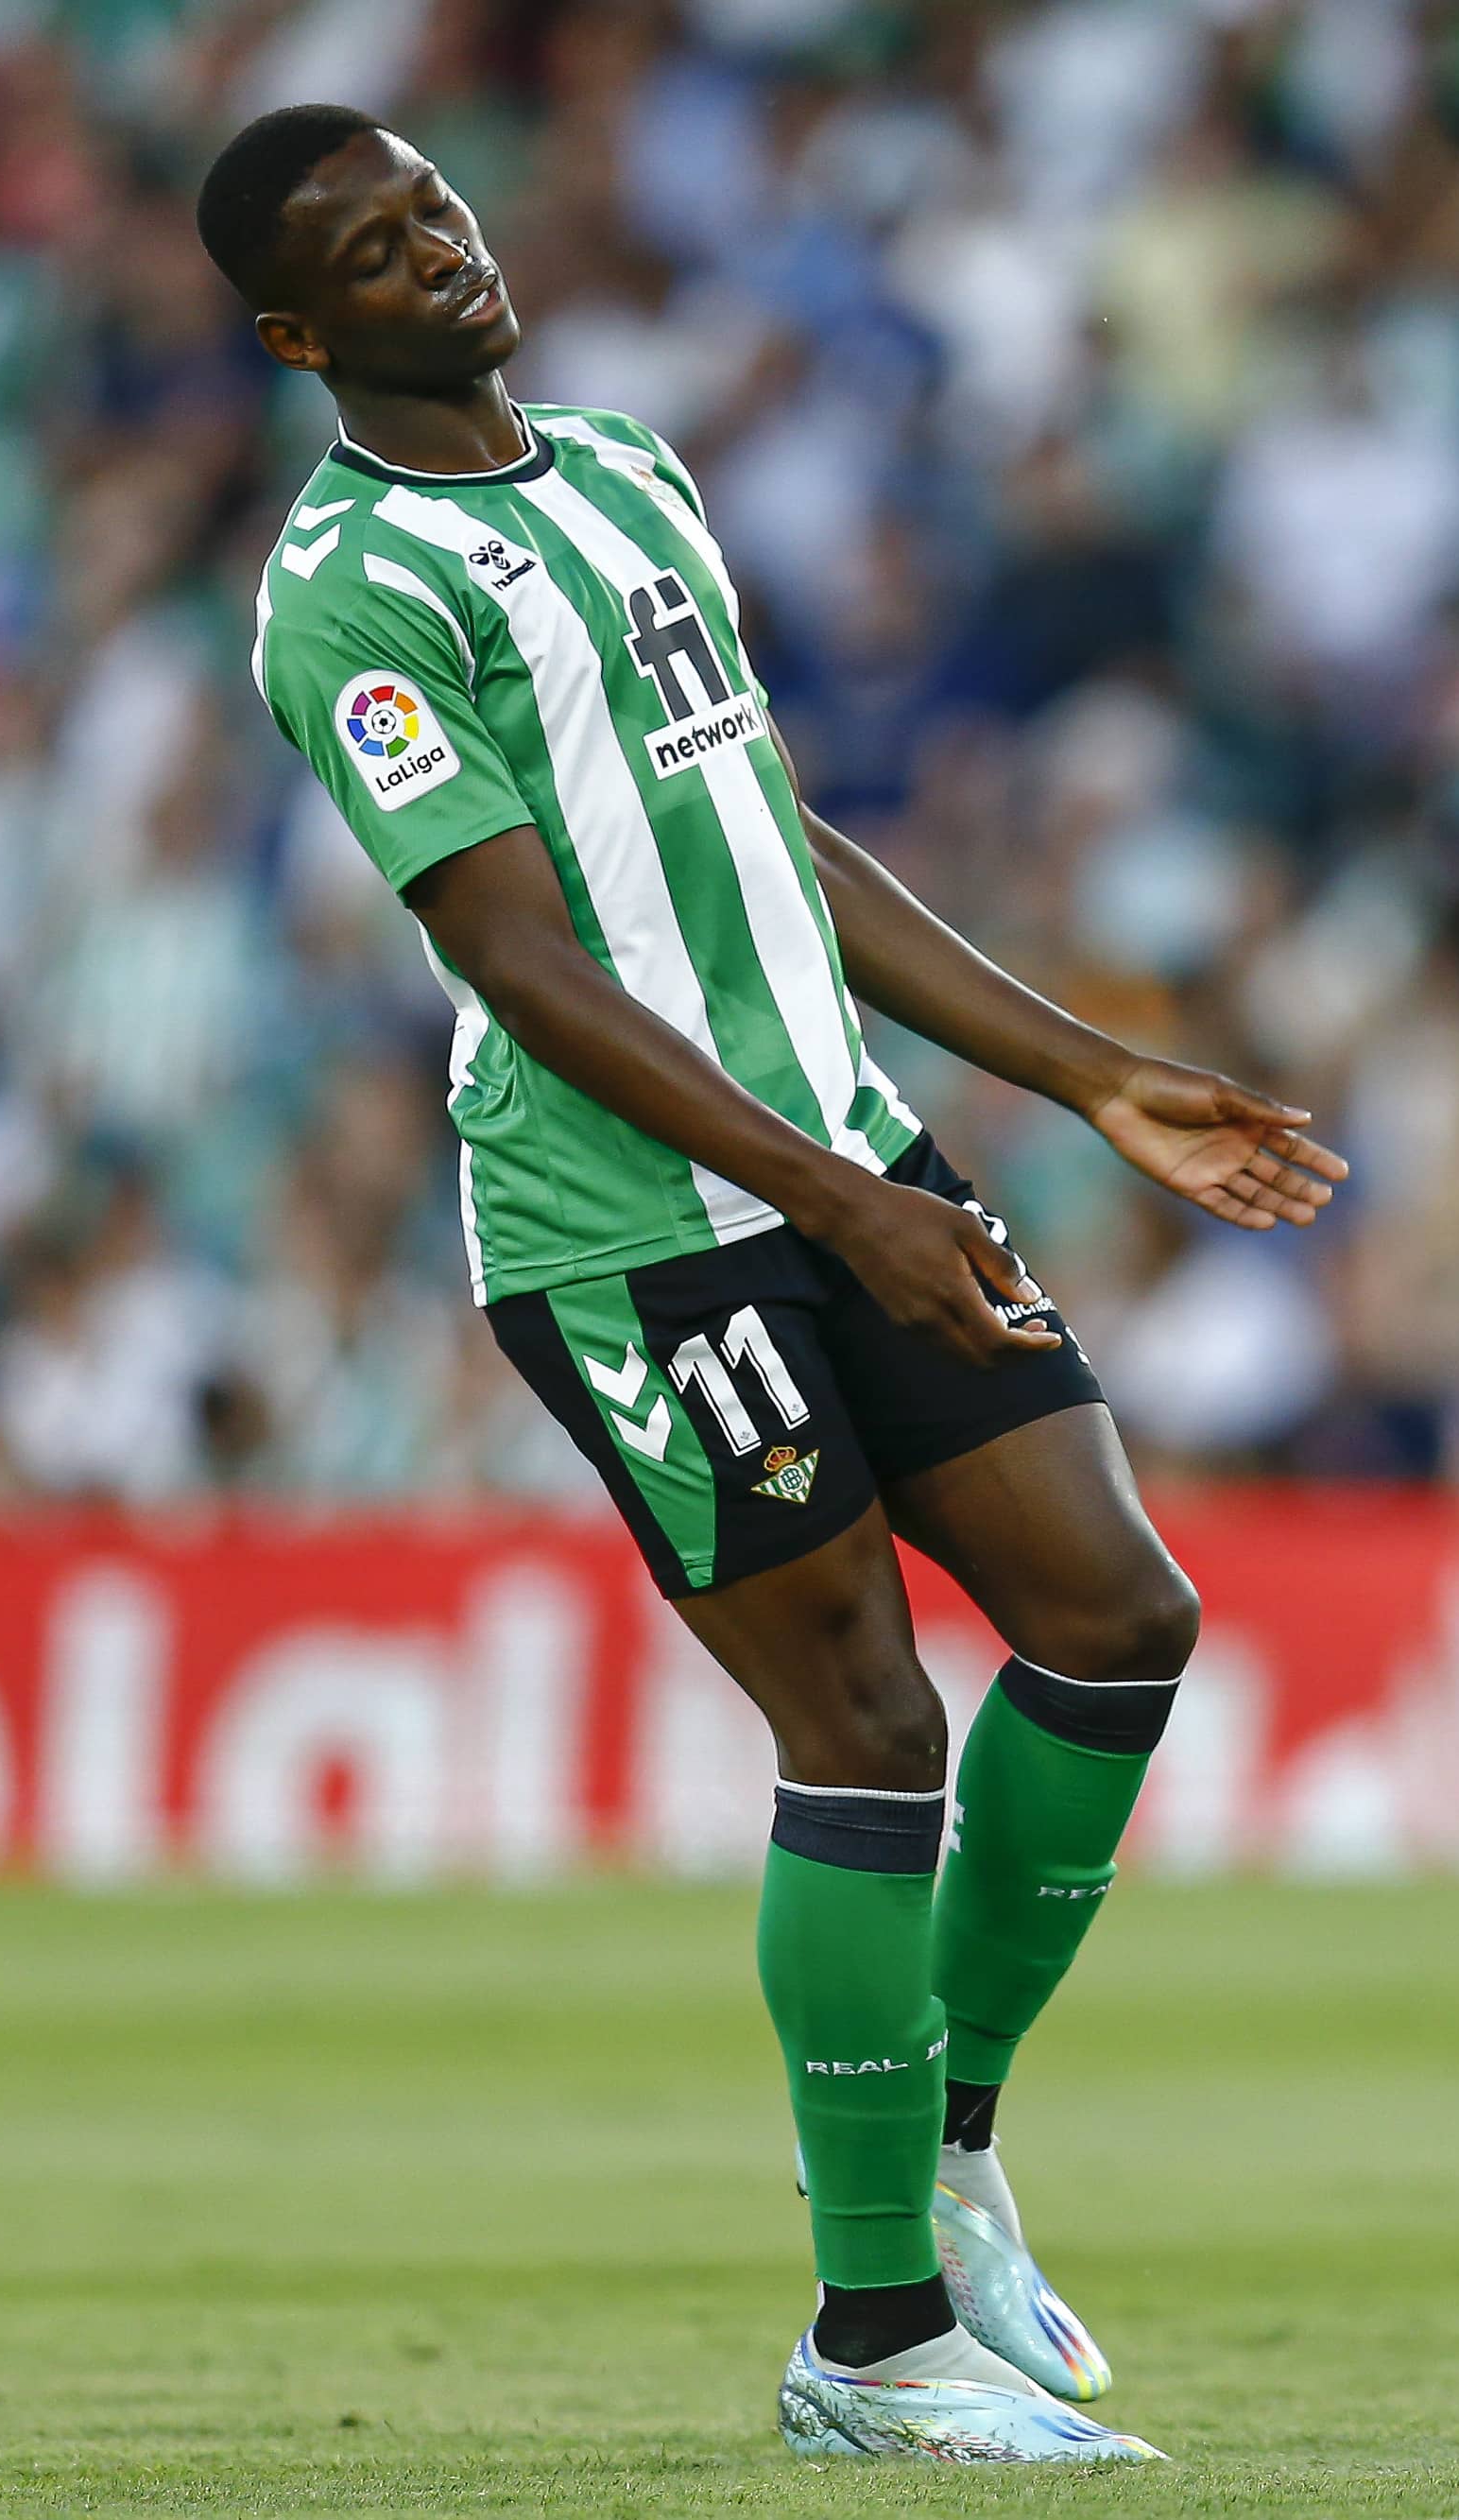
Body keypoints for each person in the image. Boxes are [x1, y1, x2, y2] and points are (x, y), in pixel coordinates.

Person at [197, 105, 1347, 2464]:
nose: (442, 250)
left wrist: (1085, 1070)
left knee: (1115, 1614)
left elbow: (764, 838)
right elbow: (520, 959)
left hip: (845, 1152)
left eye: (435, 202)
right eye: (374, 252)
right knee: (865, 1726)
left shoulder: (628, 469)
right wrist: (838, 1205)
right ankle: (872, 2340)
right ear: (301, 336)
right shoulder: (346, 588)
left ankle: (949, 2139)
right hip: (640, 1231)